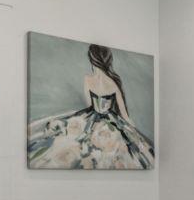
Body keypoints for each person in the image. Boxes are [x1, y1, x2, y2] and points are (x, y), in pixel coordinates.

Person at [27, 44, 155, 169]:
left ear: (91, 59)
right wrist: (134, 132)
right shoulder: (113, 82)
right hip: (112, 121)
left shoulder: (88, 79)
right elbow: (125, 115)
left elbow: (90, 105)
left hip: (91, 118)